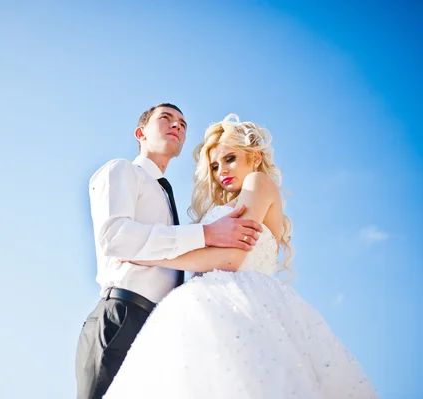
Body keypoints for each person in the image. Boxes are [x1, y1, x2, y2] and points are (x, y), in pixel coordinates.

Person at [103, 114, 379, 399]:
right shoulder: (229, 204)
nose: (222, 170)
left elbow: (231, 258)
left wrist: (153, 257)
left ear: (256, 157)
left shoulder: (258, 183)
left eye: (230, 158)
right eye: (214, 165)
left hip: (245, 301)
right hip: (203, 308)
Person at [75, 105, 264, 399]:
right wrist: (206, 234)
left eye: (183, 123)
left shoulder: (164, 193)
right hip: (123, 314)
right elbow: (115, 238)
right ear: (140, 133)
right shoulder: (122, 170)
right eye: (166, 118)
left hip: (159, 328)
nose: (177, 125)